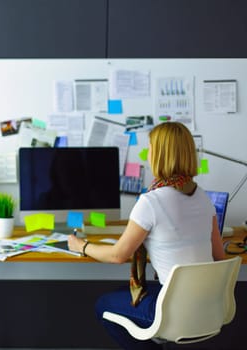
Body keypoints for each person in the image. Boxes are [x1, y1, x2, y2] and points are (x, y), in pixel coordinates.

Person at [67, 121, 226, 350]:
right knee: (125, 294)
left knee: (103, 304)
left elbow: (118, 255)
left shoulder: (151, 201)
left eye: (151, 147)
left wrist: (82, 246)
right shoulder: (203, 197)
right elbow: (219, 257)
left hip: (172, 310)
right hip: (206, 305)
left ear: (159, 154)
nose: (148, 153)